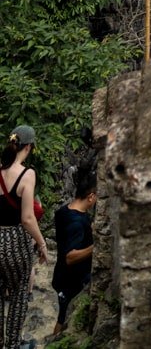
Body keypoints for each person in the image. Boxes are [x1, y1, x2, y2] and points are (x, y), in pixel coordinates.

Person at [0, 124, 48, 349]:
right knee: (19, 292)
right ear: (28, 147)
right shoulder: (27, 174)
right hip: (16, 241)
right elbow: (28, 218)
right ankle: (13, 344)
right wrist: (41, 243)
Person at [52, 167, 97, 336]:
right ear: (91, 196)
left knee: (64, 316)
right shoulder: (76, 222)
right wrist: (95, 246)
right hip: (70, 281)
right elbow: (70, 257)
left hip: (63, 276)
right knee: (63, 319)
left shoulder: (64, 211)